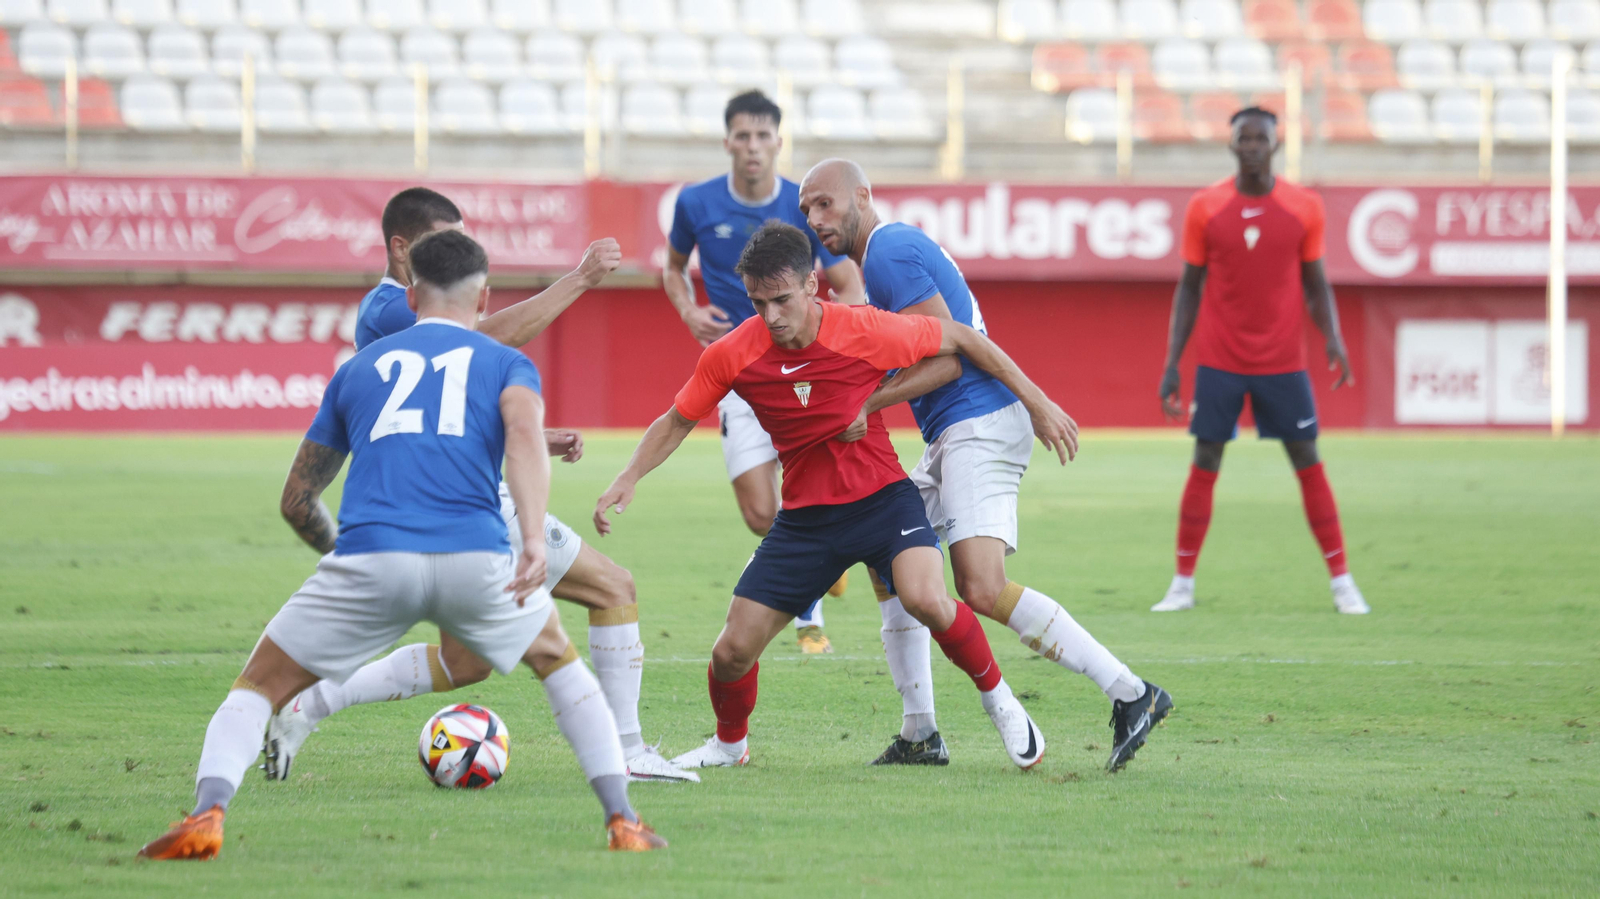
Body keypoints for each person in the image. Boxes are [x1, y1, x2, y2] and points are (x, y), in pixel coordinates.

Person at [138, 231, 666, 859]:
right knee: (559, 665)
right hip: (476, 557)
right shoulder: (506, 364)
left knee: (257, 686)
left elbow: (298, 499)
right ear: (484, 298)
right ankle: (622, 821)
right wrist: (530, 537)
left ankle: (206, 814)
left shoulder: (357, 370)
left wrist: (348, 565)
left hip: (371, 556)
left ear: (411, 297)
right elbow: (524, 440)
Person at [597, 222, 1078, 772]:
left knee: (926, 598)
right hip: (805, 522)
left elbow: (963, 341)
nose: (771, 316)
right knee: (730, 653)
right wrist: (628, 476)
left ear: (812, 285)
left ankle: (1002, 703)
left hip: (884, 502)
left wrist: (1036, 402)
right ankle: (730, 746)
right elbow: (677, 419)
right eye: (758, 304)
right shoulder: (733, 353)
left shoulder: (865, 328)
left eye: (782, 299)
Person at [266, 187, 698, 785]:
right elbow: (486, 339)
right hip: (468, 503)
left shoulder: (391, 314)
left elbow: (440, 408)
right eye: (442, 240)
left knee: (464, 664)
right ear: (401, 248)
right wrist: (579, 278)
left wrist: (530, 437)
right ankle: (627, 752)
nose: (455, 254)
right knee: (612, 588)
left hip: (442, 496)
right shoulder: (390, 309)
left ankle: (306, 706)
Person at [799, 159, 1173, 773]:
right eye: (807, 210)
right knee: (888, 554)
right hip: (957, 430)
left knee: (981, 586)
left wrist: (871, 401)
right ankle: (920, 732)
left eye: (825, 204)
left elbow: (951, 357)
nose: (816, 219)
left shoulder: (887, 252)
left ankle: (1132, 693)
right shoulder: (884, 259)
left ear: (862, 196)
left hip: (979, 423)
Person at [664, 90, 865, 654]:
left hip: (803, 371)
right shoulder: (695, 202)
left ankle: (809, 621)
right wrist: (688, 310)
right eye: (743, 136)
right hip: (741, 375)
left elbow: (847, 283)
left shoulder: (805, 205)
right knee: (760, 513)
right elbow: (673, 269)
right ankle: (824, 566)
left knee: (814, 495)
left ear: (778, 141)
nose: (753, 146)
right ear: (728, 141)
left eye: (762, 136)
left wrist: (838, 343)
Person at [1154, 107, 1368, 616]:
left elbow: (1316, 283)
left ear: (1276, 145)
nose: (1251, 146)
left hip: (1283, 363)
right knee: (1205, 459)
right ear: (1231, 146)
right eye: (1243, 138)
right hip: (1220, 361)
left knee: (1307, 460)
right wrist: (1172, 362)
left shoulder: (1304, 206)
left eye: (1260, 138)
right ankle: (1182, 584)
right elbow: (1189, 288)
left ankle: (1343, 582)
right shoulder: (1206, 207)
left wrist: (1333, 338)